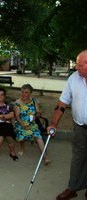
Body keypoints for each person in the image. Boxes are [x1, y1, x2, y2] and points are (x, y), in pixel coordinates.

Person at [48, 50, 87, 200]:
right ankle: (73, 187)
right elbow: (62, 102)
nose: (76, 68)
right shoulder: (74, 78)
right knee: (78, 157)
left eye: (79, 65)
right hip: (80, 127)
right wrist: (53, 123)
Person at [14, 84, 50, 165]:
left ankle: (45, 157)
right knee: (22, 134)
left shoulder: (34, 101)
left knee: (38, 136)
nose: (23, 94)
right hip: (20, 123)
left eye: (26, 92)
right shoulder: (17, 102)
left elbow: (38, 113)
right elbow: (16, 116)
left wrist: (35, 115)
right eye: (22, 92)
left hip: (32, 123)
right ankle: (22, 147)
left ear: (30, 93)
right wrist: (23, 126)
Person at [0, 87, 18, 162]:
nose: (0, 96)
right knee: (1, 138)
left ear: (4, 96)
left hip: (7, 125)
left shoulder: (8, 104)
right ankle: (11, 152)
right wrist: (4, 116)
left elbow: (11, 115)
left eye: (2, 95)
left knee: (7, 135)